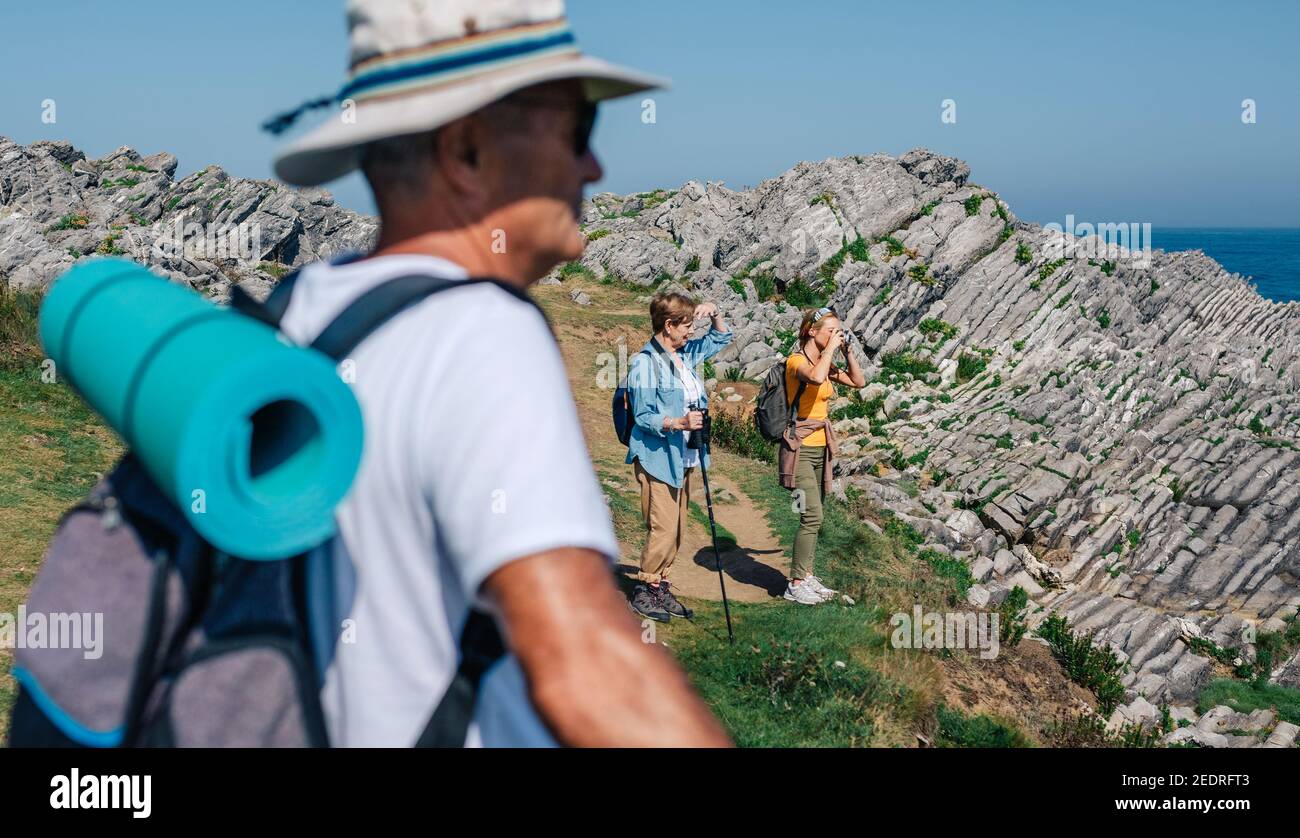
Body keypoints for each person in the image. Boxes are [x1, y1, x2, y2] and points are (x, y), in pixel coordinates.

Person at [268, 0, 730, 747]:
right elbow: (585, 660)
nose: (594, 165)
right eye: (577, 130)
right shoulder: (479, 332)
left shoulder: (306, 307)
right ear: (467, 151)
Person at [624, 292, 732, 622]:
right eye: (686, 326)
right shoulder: (644, 363)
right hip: (658, 455)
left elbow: (719, 338)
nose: (690, 332)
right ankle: (645, 587)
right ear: (668, 325)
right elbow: (643, 415)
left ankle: (661, 585)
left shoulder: (684, 355)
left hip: (684, 454)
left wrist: (714, 313)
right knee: (664, 526)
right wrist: (680, 422)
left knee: (680, 526)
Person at [780, 307, 866, 605]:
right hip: (799, 449)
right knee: (810, 515)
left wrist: (847, 352)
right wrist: (830, 349)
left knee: (816, 516)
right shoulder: (796, 363)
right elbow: (815, 378)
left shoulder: (825, 362)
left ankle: (807, 574)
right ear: (811, 332)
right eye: (830, 330)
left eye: (837, 330)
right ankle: (794, 584)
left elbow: (859, 382)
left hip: (820, 449)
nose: (835, 334)